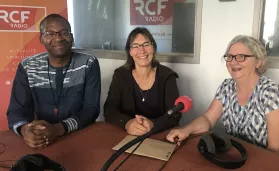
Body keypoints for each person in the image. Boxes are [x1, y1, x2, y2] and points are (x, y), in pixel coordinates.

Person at [166, 35, 279, 164]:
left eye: (241, 57)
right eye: (230, 57)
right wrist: (186, 130)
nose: (233, 62)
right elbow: (208, 119)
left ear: (258, 62)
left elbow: (275, 150)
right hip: (242, 155)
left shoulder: (272, 92)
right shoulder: (226, 86)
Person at [7, 14, 101, 149]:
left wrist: (58, 129)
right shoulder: (28, 66)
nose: (58, 38)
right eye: (50, 33)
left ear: (72, 37)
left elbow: (91, 109)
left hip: (79, 135)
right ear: (41, 39)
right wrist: (25, 130)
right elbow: (16, 110)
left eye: (64, 32)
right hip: (41, 140)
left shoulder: (88, 63)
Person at [104, 27, 180, 136]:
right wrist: (127, 123)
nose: (142, 50)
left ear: (153, 48)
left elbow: (175, 115)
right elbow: (109, 110)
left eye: (146, 44)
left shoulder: (167, 76)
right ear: (129, 51)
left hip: (159, 136)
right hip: (127, 136)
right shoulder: (120, 75)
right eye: (135, 46)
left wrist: (154, 124)